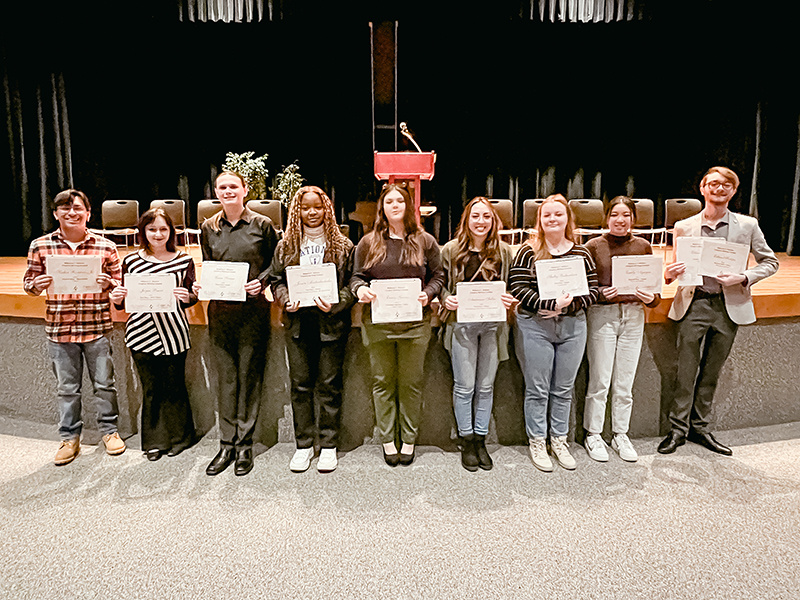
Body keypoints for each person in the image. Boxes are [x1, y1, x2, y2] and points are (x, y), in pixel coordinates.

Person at [658, 166, 778, 456]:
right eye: (713, 184)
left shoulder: (747, 226)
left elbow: (770, 262)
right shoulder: (684, 226)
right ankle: (678, 430)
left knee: (711, 371)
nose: (719, 189)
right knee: (685, 371)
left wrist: (744, 277)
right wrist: (670, 274)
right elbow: (677, 270)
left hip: (728, 306)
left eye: (726, 185)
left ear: (734, 191)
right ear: (702, 188)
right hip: (695, 302)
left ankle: (701, 428)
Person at [23, 189, 126, 465]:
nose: (72, 213)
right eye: (65, 209)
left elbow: (120, 284)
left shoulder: (106, 247)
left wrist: (111, 284)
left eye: (78, 208)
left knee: (105, 385)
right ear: (56, 214)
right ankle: (69, 438)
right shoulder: (40, 246)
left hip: (97, 326)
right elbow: (28, 283)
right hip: (60, 329)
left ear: (88, 213)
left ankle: (109, 431)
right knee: (67, 389)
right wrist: (36, 285)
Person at [350, 182, 445, 467]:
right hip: (378, 324)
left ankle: (410, 439)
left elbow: (439, 276)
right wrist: (360, 291)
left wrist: (428, 294)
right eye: (389, 202)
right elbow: (356, 277)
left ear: (408, 207)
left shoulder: (425, 241)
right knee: (382, 383)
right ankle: (388, 440)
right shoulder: (368, 242)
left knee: (411, 384)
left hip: (415, 326)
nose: (394, 206)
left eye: (400, 202)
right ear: (382, 207)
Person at [195, 171, 278, 476]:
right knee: (226, 380)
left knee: (250, 379)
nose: (228, 191)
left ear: (245, 190)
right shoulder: (208, 227)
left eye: (233, 186)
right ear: (216, 192)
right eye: (222, 187)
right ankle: (226, 444)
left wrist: (262, 281)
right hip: (219, 312)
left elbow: (275, 262)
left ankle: (245, 445)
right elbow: (207, 263)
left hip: (253, 312)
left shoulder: (262, 225)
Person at [509, 193, 599, 472]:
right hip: (535, 326)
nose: (552, 219)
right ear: (540, 220)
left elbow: (593, 290)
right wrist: (548, 305)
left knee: (563, 388)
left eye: (558, 214)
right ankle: (537, 440)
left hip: (573, 326)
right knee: (537, 388)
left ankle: (559, 440)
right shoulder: (527, 251)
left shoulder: (582, 253)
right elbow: (517, 287)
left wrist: (569, 307)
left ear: (567, 219)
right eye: (547, 215)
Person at [269, 186, 355, 473]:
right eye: (306, 207)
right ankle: (304, 445)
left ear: (326, 208)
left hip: (331, 324)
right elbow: (276, 280)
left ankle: (329, 445)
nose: (312, 213)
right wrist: (284, 299)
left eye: (317, 207)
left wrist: (335, 304)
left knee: (330, 386)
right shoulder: (286, 246)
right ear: (298, 211)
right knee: (300, 386)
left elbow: (351, 287)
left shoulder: (343, 245)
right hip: (298, 324)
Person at [110, 208, 197, 461]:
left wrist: (188, 297)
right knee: (151, 389)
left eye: (163, 229)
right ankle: (154, 440)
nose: (158, 234)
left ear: (170, 232)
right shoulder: (131, 261)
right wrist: (117, 299)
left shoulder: (184, 260)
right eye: (152, 229)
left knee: (175, 387)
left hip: (174, 332)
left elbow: (191, 296)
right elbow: (125, 301)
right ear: (143, 232)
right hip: (141, 333)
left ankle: (181, 438)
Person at [440, 197, 517, 472]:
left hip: (493, 327)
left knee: (485, 387)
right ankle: (467, 439)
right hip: (462, 327)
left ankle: (481, 438)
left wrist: (510, 299)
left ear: (493, 220)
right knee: (464, 387)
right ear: (466, 220)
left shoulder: (505, 252)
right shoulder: (450, 250)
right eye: (476, 216)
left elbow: (513, 287)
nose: (481, 221)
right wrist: (447, 299)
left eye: (486, 216)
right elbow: (440, 285)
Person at [583, 196, 660, 463]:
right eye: (615, 214)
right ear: (606, 218)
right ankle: (593, 433)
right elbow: (586, 289)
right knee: (600, 379)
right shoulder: (594, 246)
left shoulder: (643, 246)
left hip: (634, 315)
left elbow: (654, 291)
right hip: (602, 315)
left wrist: (651, 298)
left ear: (633, 219)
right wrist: (603, 293)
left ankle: (620, 433)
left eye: (626, 215)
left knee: (625, 382)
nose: (620, 220)